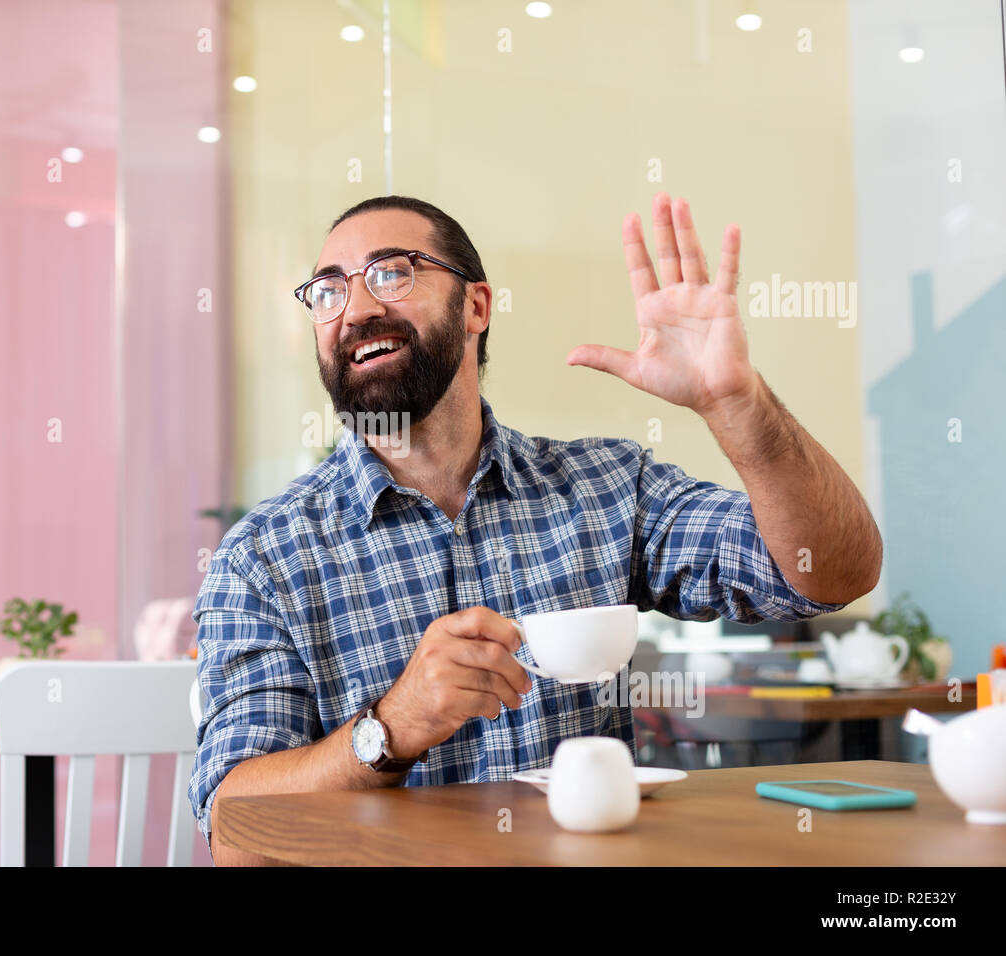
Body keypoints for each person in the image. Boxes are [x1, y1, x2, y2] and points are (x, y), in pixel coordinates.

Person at [189, 193, 882, 865]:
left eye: (392, 272)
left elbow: (831, 572)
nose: (359, 308)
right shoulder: (264, 559)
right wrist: (391, 729)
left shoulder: (606, 489)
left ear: (477, 306)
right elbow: (239, 841)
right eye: (328, 291)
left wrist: (738, 403)